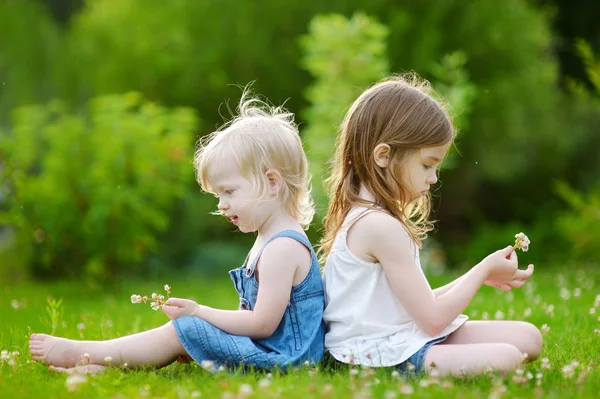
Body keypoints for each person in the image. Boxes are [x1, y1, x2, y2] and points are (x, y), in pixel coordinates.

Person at [29, 91, 325, 374]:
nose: (222, 205)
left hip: (284, 359)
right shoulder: (269, 238)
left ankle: (86, 352)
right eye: (218, 196)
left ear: (272, 183)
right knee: (189, 332)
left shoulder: (282, 248)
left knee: (186, 328)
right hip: (270, 350)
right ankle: (99, 366)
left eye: (229, 192)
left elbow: (262, 325)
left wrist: (199, 312)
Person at [320, 74, 542, 377]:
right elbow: (433, 319)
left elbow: (418, 304)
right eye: (427, 164)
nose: (434, 177)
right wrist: (482, 272)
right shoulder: (378, 227)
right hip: (373, 353)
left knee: (529, 338)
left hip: (398, 335)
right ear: (384, 155)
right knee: (507, 357)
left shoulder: (369, 216)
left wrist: (480, 274)